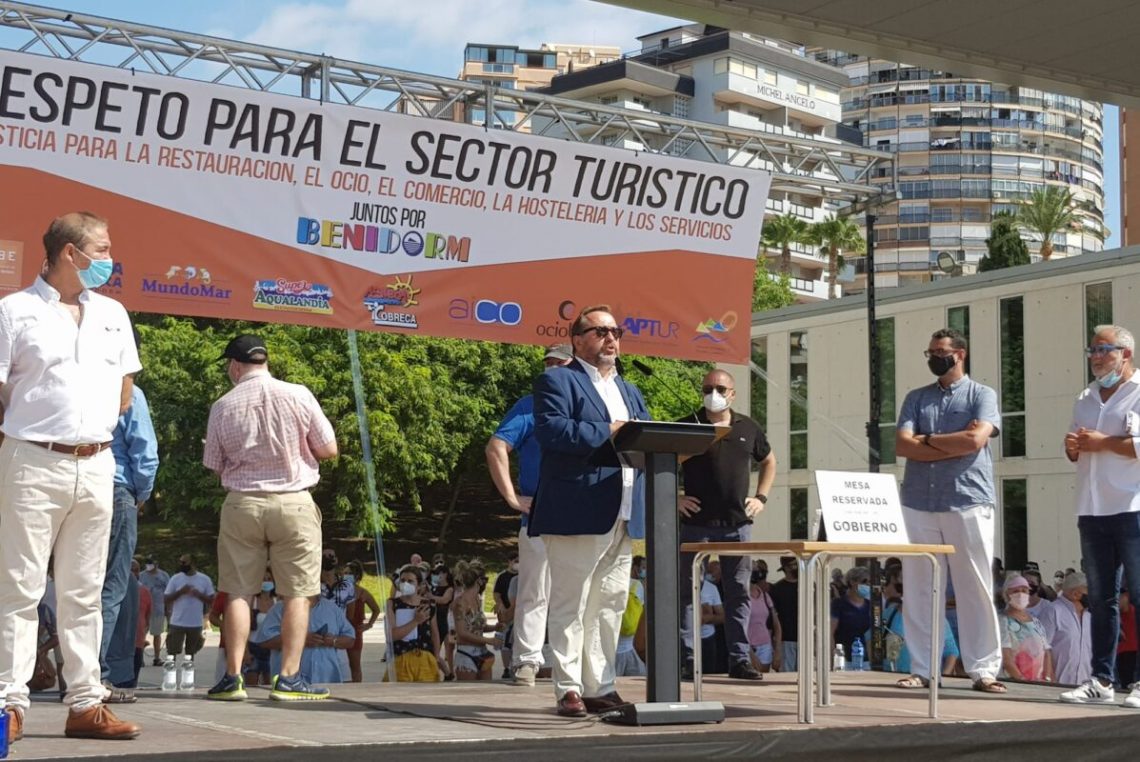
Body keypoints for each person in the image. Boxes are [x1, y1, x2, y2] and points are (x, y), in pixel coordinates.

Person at [0, 212, 143, 743]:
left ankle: (85, 702)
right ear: (69, 252)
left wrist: (90, 431)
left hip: (98, 461)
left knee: (84, 591)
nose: (109, 258)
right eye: (101, 249)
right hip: (32, 458)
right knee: (20, 586)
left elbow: (125, 387)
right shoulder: (14, 311)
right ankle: (8, 704)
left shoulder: (112, 312)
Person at [529, 305, 651, 717]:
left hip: (624, 512)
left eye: (615, 331)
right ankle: (568, 687)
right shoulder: (558, 380)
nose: (610, 338)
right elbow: (552, 430)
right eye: (600, 331)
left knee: (610, 602)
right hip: (578, 507)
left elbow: (648, 437)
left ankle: (600, 685)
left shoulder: (630, 390)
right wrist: (610, 431)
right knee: (572, 601)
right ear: (577, 339)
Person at [203, 333, 338, 702]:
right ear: (265, 360)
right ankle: (289, 679)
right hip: (294, 501)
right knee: (297, 593)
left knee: (238, 591)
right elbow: (329, 449)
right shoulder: (299, 394)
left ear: (235, 366)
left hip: (242, 503)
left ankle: (232, 677)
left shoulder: (223, 406)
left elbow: (213, 464)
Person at [894, 328, 1005, 694]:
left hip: (968, 500)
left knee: (975, 587)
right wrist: (949, 443)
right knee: (919, 588)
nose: (934, 359)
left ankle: (983, 669)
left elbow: (975, 440)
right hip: (918, 502)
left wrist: (926, 440)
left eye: (940, 352)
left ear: (960, 354)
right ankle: (923, 669)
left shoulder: (982, 395)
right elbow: (903, 446)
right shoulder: (916, 398)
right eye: (930, 353)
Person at [1059, 325, 1140, 706]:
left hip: (1131, 507)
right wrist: (1073, 448)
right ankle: (1102, 680)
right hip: (1092, 509)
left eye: (1103, 349)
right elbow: (1077, 448)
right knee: (1102, 599)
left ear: (1126, 354)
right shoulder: (1085, 397)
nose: (1095, 357)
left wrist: (1102, 442)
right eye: (1091, 350)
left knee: (1138, 596)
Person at [677, 368, 776, 681]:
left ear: (732, 393)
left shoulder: (748, 426)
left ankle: (739, 660)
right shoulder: (687, 425)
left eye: (720, 389)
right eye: (707, 388)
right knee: (687, 593)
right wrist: (675, 498)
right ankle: (686, 659)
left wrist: (761, 497)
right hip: (695, 524)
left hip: (737, 525)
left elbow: (769, 461)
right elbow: (659, 463)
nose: (713, 394)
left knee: (738, 593)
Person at [485, 343, 574, 686]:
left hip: (585, 513)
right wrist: (511, 497)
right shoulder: (530, 405)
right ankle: (526, 661)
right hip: (539, 513)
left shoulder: (591, 405)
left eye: (560, 362)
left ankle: (572, 662)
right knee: (535, 591)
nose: (552, 368)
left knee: (578, 594)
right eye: (548, 362)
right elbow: (496, 446)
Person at [99, 374, 158, 696]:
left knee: (76, 585)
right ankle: (96, 676)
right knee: (112, 586)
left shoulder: (75, 381)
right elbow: (144, 449)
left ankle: (77, 675)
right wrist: (141, 494)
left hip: (71, 484)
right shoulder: (127, 390)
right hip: (117, 487)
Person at [251, 595, 355, 684]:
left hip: (327, 680)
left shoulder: (332, 608)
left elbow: (350, 639)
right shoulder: (280, 608)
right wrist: (299, 640)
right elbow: (264, 641)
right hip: (290, 683)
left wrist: (334, 641)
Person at [162, 554, 215, 691]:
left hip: (195, 623)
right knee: (171, 652)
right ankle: (170, 680)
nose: (181, 565)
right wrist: (181, 592)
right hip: (177, 622)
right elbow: (166, 599)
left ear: (193, 563)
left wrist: (199, 595)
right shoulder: (176, 578)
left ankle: (187, 680)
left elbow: (212, 600)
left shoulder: (204, 579)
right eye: (180, 562)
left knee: (190, 654)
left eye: (184, 562)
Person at [387, 565, 441, 682]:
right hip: (401, 658)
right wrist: (416, 621)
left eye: (410, 581)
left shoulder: (428, 604)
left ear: (419, 584)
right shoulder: (393, 604)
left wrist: (436, 658)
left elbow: (435, 633)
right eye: (402, 580)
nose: (405, 584)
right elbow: (392, 635)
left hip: (425, 659)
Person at [998, 575, 1054, 683]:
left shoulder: (1036, 622)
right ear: (1007, 594)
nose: (1020, 594)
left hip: (1039, 683)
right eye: (1015, 591)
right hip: (1015, 682)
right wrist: (1023, 681)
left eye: (1024, 591)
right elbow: (1006, 658)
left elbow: (1047, 652)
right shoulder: (1003, 621)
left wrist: (1047, 679)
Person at [1041, 572, 1093, 687]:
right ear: (1075, 593)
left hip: (1086, 686)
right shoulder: (1053, 611)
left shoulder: (1090, 616)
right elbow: (1043, 647)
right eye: (1089, 591)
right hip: (1058, 684)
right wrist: (1050, 679)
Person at [451, 560, 499, 681]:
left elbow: (477, 627)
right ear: (479, 581)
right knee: (468, 690)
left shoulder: (477, 600)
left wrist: (495, 627)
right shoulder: (460, 603)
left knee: (486, 689)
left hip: (482, 652)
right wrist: (488, 640)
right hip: (466, 654)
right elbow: (462, 632)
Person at [344, 560, 380, 683]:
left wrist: (369, 625)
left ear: (357, 576)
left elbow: (376, 609)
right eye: (345, 573)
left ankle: (357, 687)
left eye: (349, 573)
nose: (346, 576)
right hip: (340, 631)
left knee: (355, 666)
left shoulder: (363, 593)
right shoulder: (339, 591)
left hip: (355, 631)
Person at [830, 567, 872, 663]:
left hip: (865, 660)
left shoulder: (870, 605)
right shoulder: (838, 604)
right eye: (864, 582)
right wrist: (833, 659)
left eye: (870, 582)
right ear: (852, 582)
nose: (868, 585)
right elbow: (830, 632)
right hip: (844, 659)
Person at [244, 569, 277, 687]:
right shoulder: (252, 601)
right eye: (263, 579)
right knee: (251, 685)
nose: (266, 582)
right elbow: (244, 628)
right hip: (253, 647)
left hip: (272, 648)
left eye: (269, 579)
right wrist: (246, 652)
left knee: (270, 685)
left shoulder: (277, 602)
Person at [747, 567, 781, 673]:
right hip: (747, 645)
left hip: (765, 644)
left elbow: (776, 625)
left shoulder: (765, 596)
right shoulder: (741, 598)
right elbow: (737, 628)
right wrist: (750, 653)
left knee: (764, 676)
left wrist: (777, 650)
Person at [769, 556, 800, 672]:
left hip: (805, 638)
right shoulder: (777, 588)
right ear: (786, 568)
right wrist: (776, 645)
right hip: (786, 639)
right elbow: (774, 617)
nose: (796, 568)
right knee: (787, 674)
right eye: (793, 565)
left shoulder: (808, 585)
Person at [139, 557, 170, 666]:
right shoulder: (141, 575)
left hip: (158, 609)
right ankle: (140, 658)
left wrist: (168, 609)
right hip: (143, 609)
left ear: (156, 564)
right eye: (147, 563)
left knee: (157, 634)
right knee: (142, 633)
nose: (149, 565)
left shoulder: (164, 576)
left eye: (151, 563)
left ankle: (157, 658)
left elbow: (168, 593)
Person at [427, 564, 456, 680]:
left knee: (435, 651)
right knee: (432, 651)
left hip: (441, 622)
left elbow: (444, 600)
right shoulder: (434, 588)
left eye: (438, 573)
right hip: (432, 620)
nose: (436, 576)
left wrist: (431, 597)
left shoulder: (449, 589)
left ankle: (447, 673)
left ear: (445, 574)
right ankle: (447, 673)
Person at [492, 553, 518, 679]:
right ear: (509, 561)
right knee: (505, 642)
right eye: (515, 561)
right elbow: (496, 594)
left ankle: (516, 665)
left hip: (517, 612)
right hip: (505, 613)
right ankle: (506, 668)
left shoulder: (523, 576)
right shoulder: (502, 577)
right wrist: (501, 605)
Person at [132, 560, 153, 688]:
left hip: (137, 640)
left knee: (135, 670)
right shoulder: (116, 590)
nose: (134, 574)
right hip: (120, 642)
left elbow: (148, 616)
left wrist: (143, 634)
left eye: (136, 570)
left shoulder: (144, 591)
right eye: (131, 570)